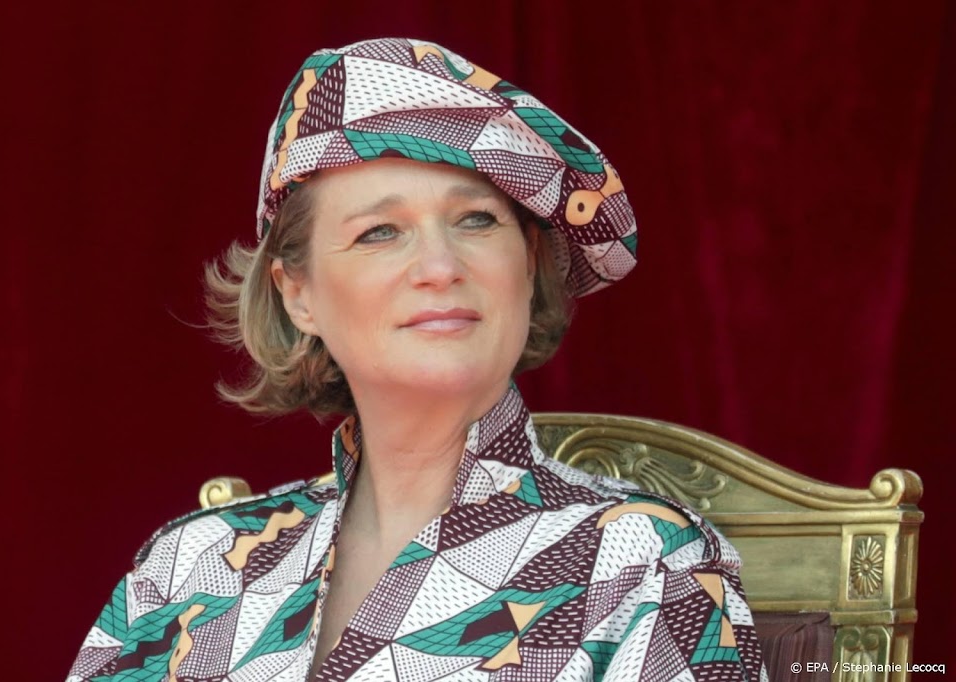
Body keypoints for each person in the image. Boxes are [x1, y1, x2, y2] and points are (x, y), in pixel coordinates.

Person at [67, 38, 767, 681]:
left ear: (528, 266)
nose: (439, 266)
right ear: (298, 295)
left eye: (476, 220)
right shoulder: (190, 566)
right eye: (379, 232)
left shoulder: (646, 562)